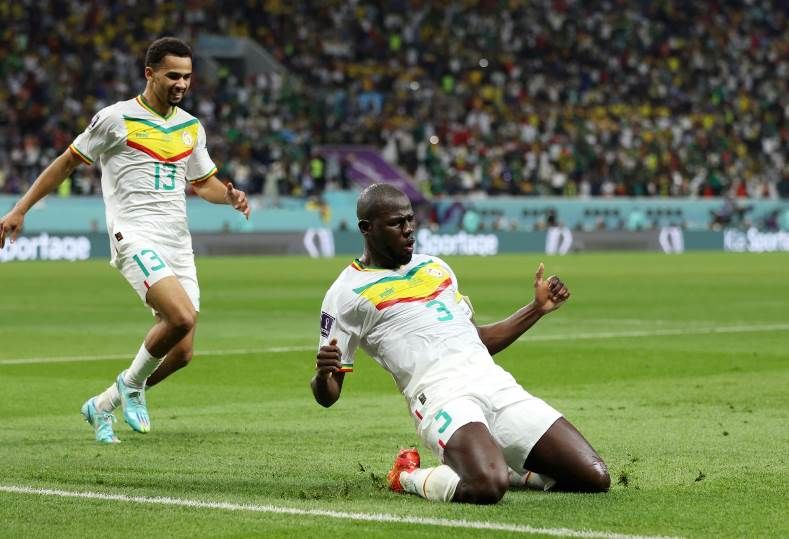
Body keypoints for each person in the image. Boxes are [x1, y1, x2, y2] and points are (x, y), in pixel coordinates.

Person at [0, 37, 250, 444]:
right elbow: (66, 163)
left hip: (176, 241)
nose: (182, 83)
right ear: (150, 73)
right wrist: (20, 208)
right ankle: (132, 386)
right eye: (173, 75)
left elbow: (204, 183)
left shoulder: (191, 127)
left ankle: (103, 405)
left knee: (182, 352)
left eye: (187, 76)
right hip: (133, 234)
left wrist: (230, 197)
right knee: (181, 317)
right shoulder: (116, 119)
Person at [311, 183, 608, 504]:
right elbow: (328, 395)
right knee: (487, 486)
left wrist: (535, 309)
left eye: (410, 220)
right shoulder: (346, 293)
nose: (409, 230)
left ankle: (510, 471)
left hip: (495, 384)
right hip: (441, 396)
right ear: (366, 228)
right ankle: (406, 475)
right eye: (397, 223)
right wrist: (323, 375)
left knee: (593, 476)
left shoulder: (436, 267)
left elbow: (477, 339)